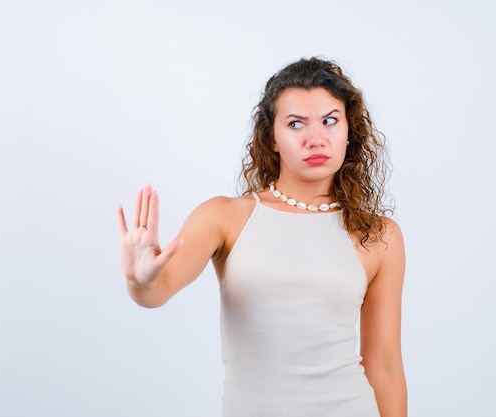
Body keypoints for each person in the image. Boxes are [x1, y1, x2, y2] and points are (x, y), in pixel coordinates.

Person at [117, 57, 407, 417]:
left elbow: (386, 367)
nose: (316, 138)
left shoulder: (379, 235)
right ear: (272, 138)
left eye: (330, 120)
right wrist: (138, 280)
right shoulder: (225, 217)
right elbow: (157, 291)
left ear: (349, 130)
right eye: (295, 123)